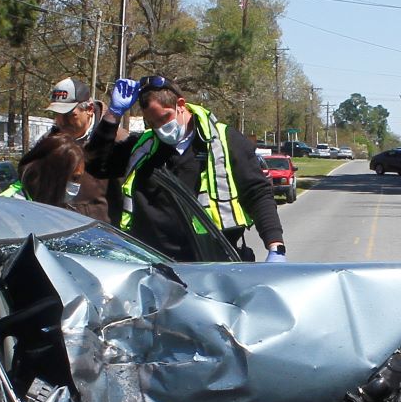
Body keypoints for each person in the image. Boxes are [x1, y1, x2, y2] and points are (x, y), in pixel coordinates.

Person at [87, 73, 286, 263]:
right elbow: (96, 166)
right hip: (155, 263)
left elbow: (258, 193)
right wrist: (112, 116)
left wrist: (275, 246)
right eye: (152, 123)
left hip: (213, 260)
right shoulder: (143, 147)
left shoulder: (225, 142)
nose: (159, 128)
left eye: (164, 118)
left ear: (181, 105)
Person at [18, 78, 109, 220]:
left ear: (89, 109)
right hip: (56, 225)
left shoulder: (115, 141)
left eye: (69, 115)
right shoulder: (48, 141)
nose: (61, 121)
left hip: (101, 233)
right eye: (56, 114)